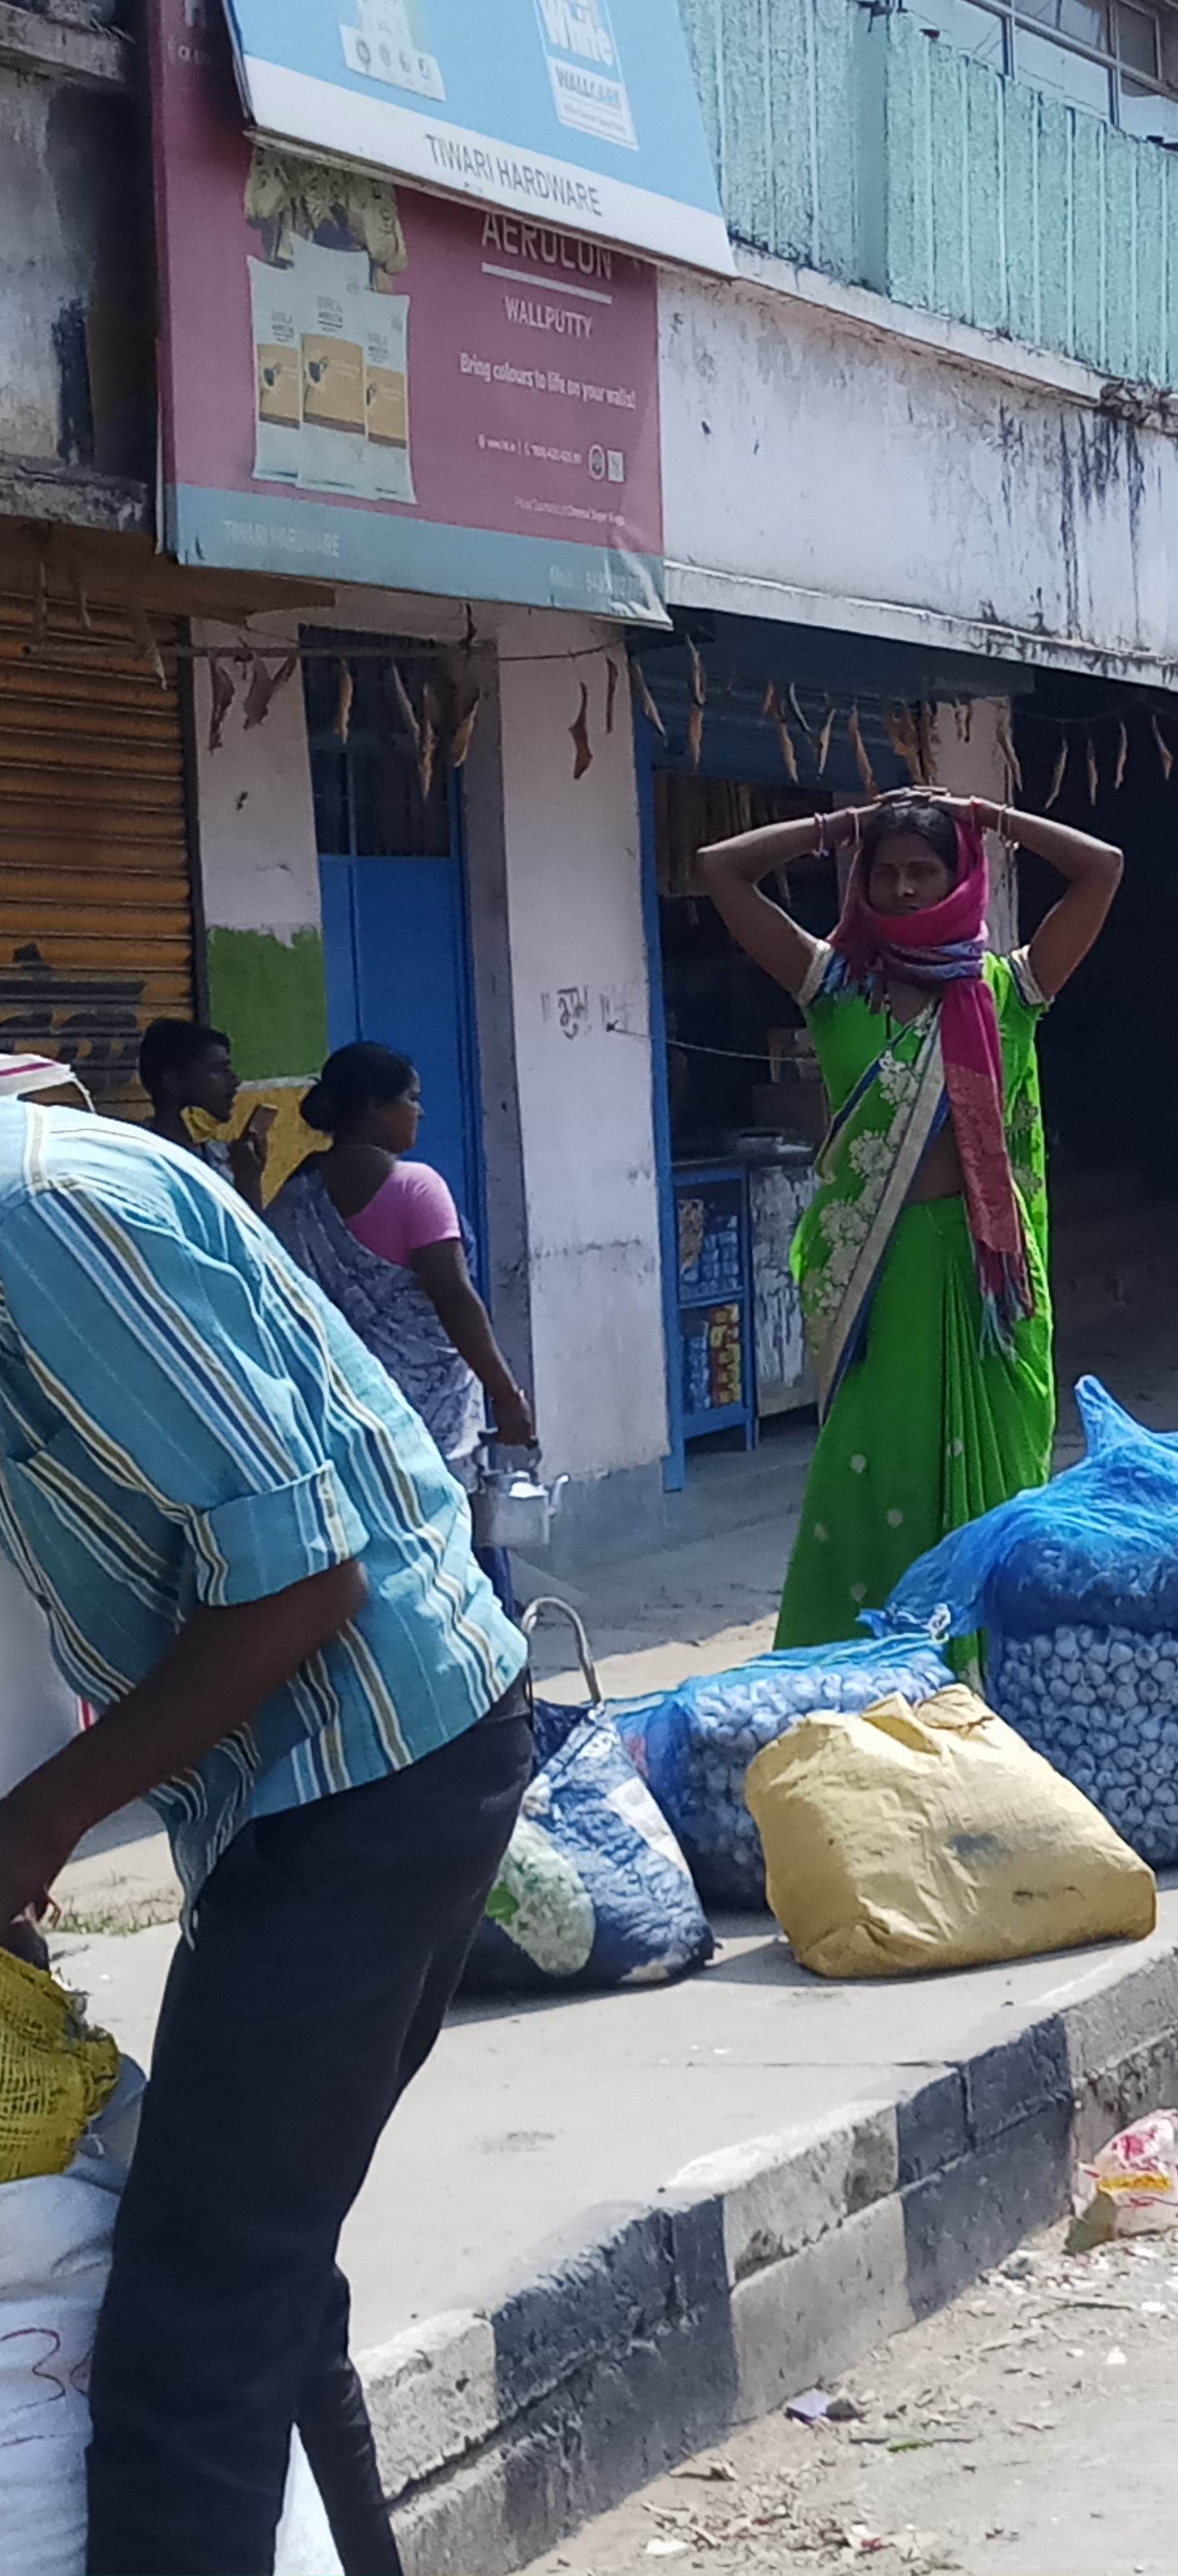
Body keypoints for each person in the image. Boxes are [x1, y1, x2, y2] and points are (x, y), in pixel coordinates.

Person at [0, 1069, 532, 2576]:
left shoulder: (40, 1212)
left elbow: (304, 1581)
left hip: (375, 1765)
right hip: (317, 1777)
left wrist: (36, 1827)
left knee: (189, 2334)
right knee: (267, 2283)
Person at [698, 788, 1124, 1646]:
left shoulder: (1006, 990)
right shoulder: (836, 987)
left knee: (998, 1484)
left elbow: (1101, 869)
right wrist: (841, 826)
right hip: (879, 1283)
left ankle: (990, 1676)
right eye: (884, 873)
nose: (900, 889)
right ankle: (859, 1669)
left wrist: (989, 819)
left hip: (983, 1283)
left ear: (957, 876)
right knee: (873, 1477)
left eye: (921, 871)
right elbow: (720, 871)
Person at [265, 1043, 536, 1508]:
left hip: (340, 1418)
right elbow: (454, 1299)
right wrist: (507, 1398)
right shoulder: (415, 1186)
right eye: (411, 1098)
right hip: (430, 1427)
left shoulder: (295, 1194)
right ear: (374, 1106)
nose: (420, 1112)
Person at [137, 1017, 270, 1204]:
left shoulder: (227, 1159)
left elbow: (251, 1232)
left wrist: (249, 1181)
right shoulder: (137, 1156)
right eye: (218, 1070)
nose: (234, 1081)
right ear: (172, 1081)